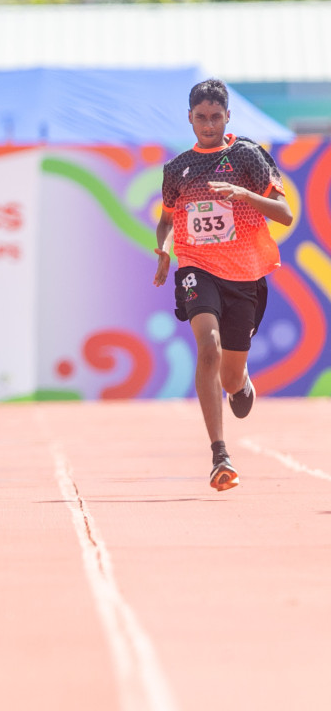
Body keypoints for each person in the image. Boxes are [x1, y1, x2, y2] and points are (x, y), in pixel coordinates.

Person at [153, 78, 292, 491]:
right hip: (197, 267)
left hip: (244, 276)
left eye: (216, 117)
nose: (209, 125)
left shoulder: (248, 157)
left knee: (230, 378)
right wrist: (162, 247)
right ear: (190, 118)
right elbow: (166, 218)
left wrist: (242, 194)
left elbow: (283, 214)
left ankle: (241, 381)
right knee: (207, 346)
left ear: (228, 116)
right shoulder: (177, 169)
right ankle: (220, 454)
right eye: (201, 118)